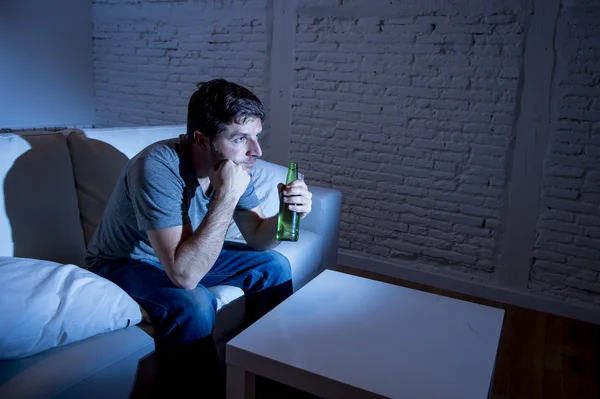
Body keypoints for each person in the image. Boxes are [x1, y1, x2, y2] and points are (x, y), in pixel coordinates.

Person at [85, 78, 313, 397]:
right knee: (194, 304)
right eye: (240, 138)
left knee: (273, 265)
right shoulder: (157, 167)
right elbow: (186, 276)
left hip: (181, 255)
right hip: (122, 264)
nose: (255, 151)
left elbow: (258, 238)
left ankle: (271, 382)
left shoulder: (235, 163)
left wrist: (287, 216)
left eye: (256, 138)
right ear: (201, 139)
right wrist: (226, 195)